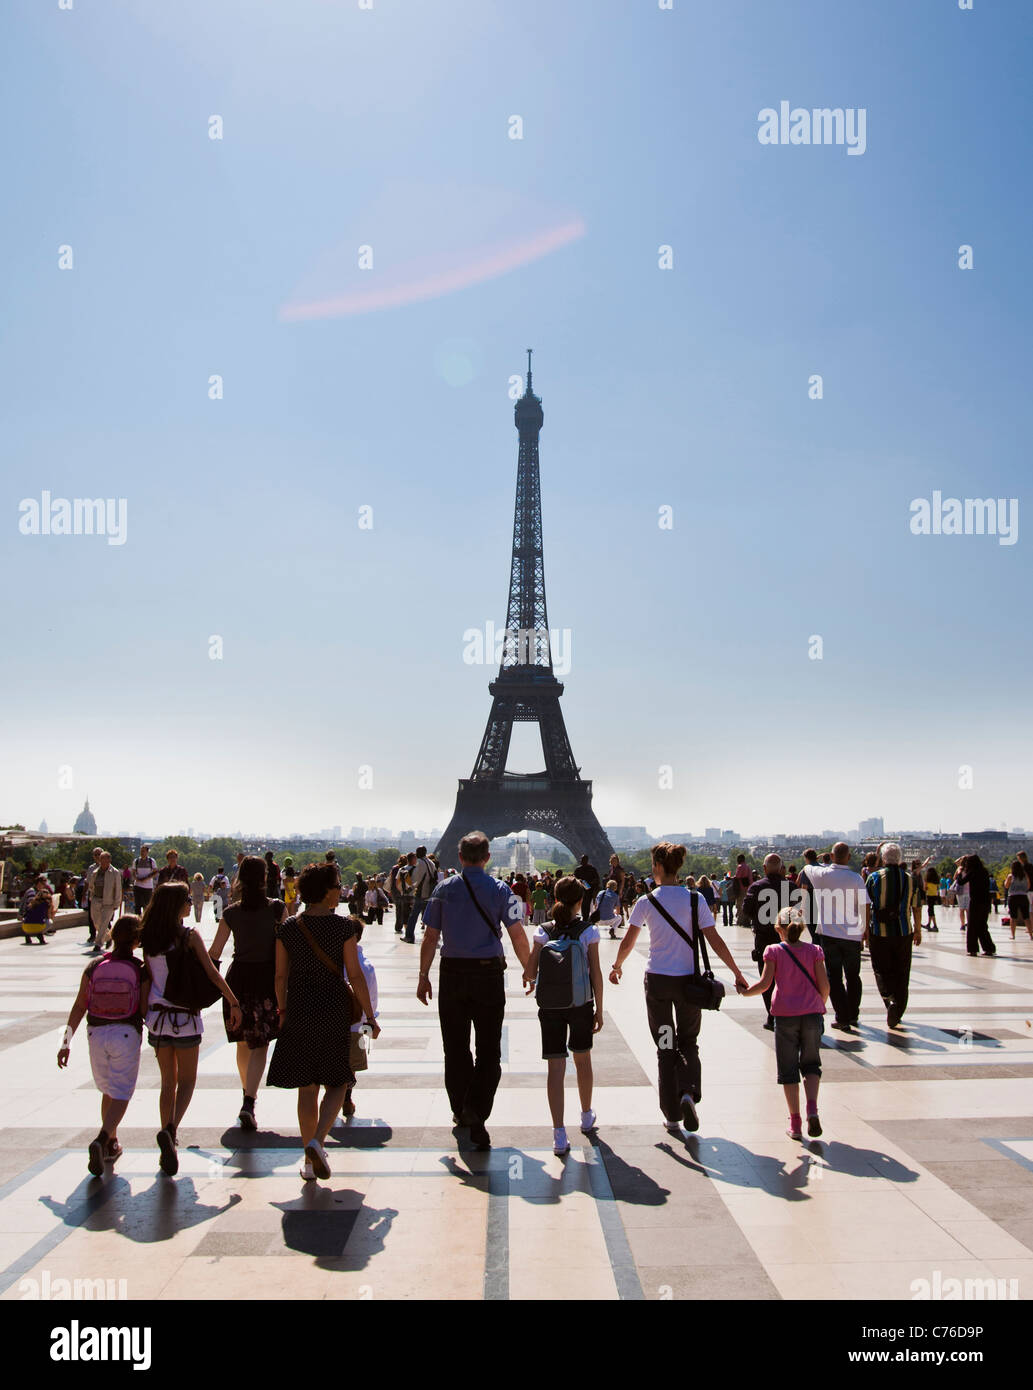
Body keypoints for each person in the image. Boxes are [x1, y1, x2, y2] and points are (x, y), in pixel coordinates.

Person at [609, 842, 749, 1135]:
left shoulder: (646, 902)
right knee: (688, 1042)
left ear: (658, 867)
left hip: (658, 984)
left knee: (665, 1048)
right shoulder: (695, 900)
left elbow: (629, 941)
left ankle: (671, 1115)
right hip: (689, 985)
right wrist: (736, 973)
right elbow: (715, 941)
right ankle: (688, 1091)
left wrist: (617, 965)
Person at [417, 830, 530, 1151]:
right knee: (490, 1051)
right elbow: (518, 935)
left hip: (452, 974)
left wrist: (423, 975)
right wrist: (529, 969)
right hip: (488, 975)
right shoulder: (500, 890)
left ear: (461, 857)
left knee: (454, 1048)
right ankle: (478, 1110)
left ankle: (459, 1108)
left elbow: (429, 937)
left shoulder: (444, 889)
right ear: (488, 858)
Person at [267, 862, 379, 1181]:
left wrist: (283, 1009)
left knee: (307, 1085)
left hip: (300, 1005)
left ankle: (307, 1158)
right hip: (332, 1007)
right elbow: (354, 975)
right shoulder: (343, 927)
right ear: (328, 891)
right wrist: (369, 1015)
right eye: (337, 886)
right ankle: (318, 1140)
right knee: (338, 1079)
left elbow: (279, 975)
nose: (339, 891)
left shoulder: (288, 928)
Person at [141, 882, 241, 1175]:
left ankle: (165, 1130)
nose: (190, 902)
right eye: (186, 899)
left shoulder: (149, 938)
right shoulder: (188, 936)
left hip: (158, 1018)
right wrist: (233, 1001)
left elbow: (147, 977)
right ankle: (171, 1131)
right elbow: (211, 973)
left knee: (167, 1082)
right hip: (185, 1018)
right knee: (187, 1081)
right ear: (176, 905)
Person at [57, 915, 150, 1175]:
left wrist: (65, 1042)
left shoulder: (94, 966)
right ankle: (101, 1139)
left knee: (108, 1089)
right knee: (121, 1092)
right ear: (136, 940)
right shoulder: (138, 968)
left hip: (95, 1033)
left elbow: (78, 1006)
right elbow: (142, 1008)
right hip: (126, 1033)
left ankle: (111, 1141)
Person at [522, 875, 603, 1155]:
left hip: (551, 1006)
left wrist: (531, 976)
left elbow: (529, 972)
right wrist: (599, 1010)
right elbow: (596, 974)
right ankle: (585, 1115)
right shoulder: (588, 931)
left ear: (555, 898)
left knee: (555, 1067)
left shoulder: (543, 931)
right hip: (581, 1004)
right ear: (581, 901)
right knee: (583, 1061)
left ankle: (558, 1133)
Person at [741, 906, 830, 1139]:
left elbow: (764, 984)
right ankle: (812, 1109)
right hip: (811, 1014)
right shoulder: (815, 950)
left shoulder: (773, 951)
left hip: (785, 1015)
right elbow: (825, 986)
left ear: (777, 928)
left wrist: (745, 992)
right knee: (811, 1064)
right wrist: (818, 1004)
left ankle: (796, 1122)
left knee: (788, 1070)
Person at [210, 855, 285, 1131]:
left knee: (242, 1042)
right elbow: (285, 949)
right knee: (261, 1043)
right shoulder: (276, 909)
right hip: (265, 979)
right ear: (265, 879)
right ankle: (249, 1100)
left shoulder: (231, 913)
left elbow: (215, 954)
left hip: (237, 981)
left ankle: (246, 1094)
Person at [801, 843, 869, 1033]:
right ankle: (853, 1013)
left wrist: (821, 860)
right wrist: (865, 930)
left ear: (831, 856)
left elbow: (808, 866)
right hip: (853, 934)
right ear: (848, 857)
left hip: (829, 934)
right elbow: (865, 906)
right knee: (853, 976)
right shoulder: (856, 879)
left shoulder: (822, 875)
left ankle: (842, 1017)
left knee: (835, 978)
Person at [865, 842, 922, 1029]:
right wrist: (918, 930)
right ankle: (898, 1009)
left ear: (882, 858)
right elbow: (916, 906)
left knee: (881, 970)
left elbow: (866, 905)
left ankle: (889, 1000)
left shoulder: (874, 878)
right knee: (902, 972)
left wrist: (864, 928)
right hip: (904, 931)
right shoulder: (910, 879)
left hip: (879, 931)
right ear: (900, 859)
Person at [741, 854, 795, 1030]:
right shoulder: (790, 887)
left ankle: (772, 1016)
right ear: (781, 868)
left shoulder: (756, 887)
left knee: (766, 979)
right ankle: (787, 1012)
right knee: (788, 976)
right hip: (787, 937)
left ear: (764, 868)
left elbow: (746, 910)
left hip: (764, 937)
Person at [342, 918, 379, 1120]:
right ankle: (347, 1097)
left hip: (333, 1022)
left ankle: (338, 1095)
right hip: (357, 1024)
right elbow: (371, 998)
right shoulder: (366, 966)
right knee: (351, 1064)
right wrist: (371, 1020)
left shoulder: (333, 960)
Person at [956, 854, 995, 958]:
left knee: (972, 926)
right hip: (985, 901)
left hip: (976, 901)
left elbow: (961, 882)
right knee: (982, 925)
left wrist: (959, 872)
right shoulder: (984, 871)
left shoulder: (972, 872)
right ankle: (989, 948)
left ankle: (973, 949)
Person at [89, 851, 123, 953]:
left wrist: (117, 902)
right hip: (96, 899)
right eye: (101, 860)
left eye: (105, 860)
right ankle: (108, 937)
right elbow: (91, 885)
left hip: (108, 902)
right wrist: (91, 896)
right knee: (96, 922)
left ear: (109, 860)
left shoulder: (115, 873)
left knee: (104, 923)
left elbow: (118, 888)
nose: (103, 862)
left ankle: (98, 943)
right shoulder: (95, 872)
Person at [403, 846, 436, 944]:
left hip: (422, 892)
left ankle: (409, 936)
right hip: (430, 892)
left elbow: (417, 878)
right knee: (429, 915)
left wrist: (410, 888)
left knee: (413, 915)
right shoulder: (431, 862)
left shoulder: (420, 863)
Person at [1004, 859, 1033, 941]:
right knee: (1026, 917)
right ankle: (1031, 935)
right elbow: (1028, 885)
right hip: (1023, 896)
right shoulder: (1025, 875)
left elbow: (1006, 886)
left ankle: (1013, 935)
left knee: (1013, 917)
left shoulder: (1011, 876)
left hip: (1013, 897)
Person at [20, 876, 53, 944]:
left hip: (26, 924)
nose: (44, 886)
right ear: (38, 883)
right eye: (43, 884)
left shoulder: (37, 893)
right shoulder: (32, 892)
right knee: (49, 922)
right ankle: (39, 933)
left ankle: (28, 934)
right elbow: (32, 907)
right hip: (27, 918)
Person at [132, 846, 158, 915]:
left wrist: (147, 878)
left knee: (146, 906)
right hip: (138, 885)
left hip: (148, 887)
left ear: (147, 852)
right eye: (141, 851)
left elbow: (155, 872)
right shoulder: (136, 861)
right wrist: (136, 878)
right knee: (137, 906)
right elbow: (133, 872)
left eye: (143, 851)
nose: (142, 853)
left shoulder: (151, 861)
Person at [576, 854, 600, 923]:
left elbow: (597, 880)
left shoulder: (580, 869)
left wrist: (588, 883)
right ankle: (586, 917)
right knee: (585, 904)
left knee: (586, 904)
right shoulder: (591, 869)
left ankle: (585, 917)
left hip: (588, 890)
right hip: (585, 890)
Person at [924, 866, 941, 931]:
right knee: (931, 909)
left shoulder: (927, 879)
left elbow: (925, 888)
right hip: (935, 895)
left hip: (929, 895)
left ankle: (935, 925)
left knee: (931, 910)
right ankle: (929, 923)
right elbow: (938, 887)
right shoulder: (936, 879)